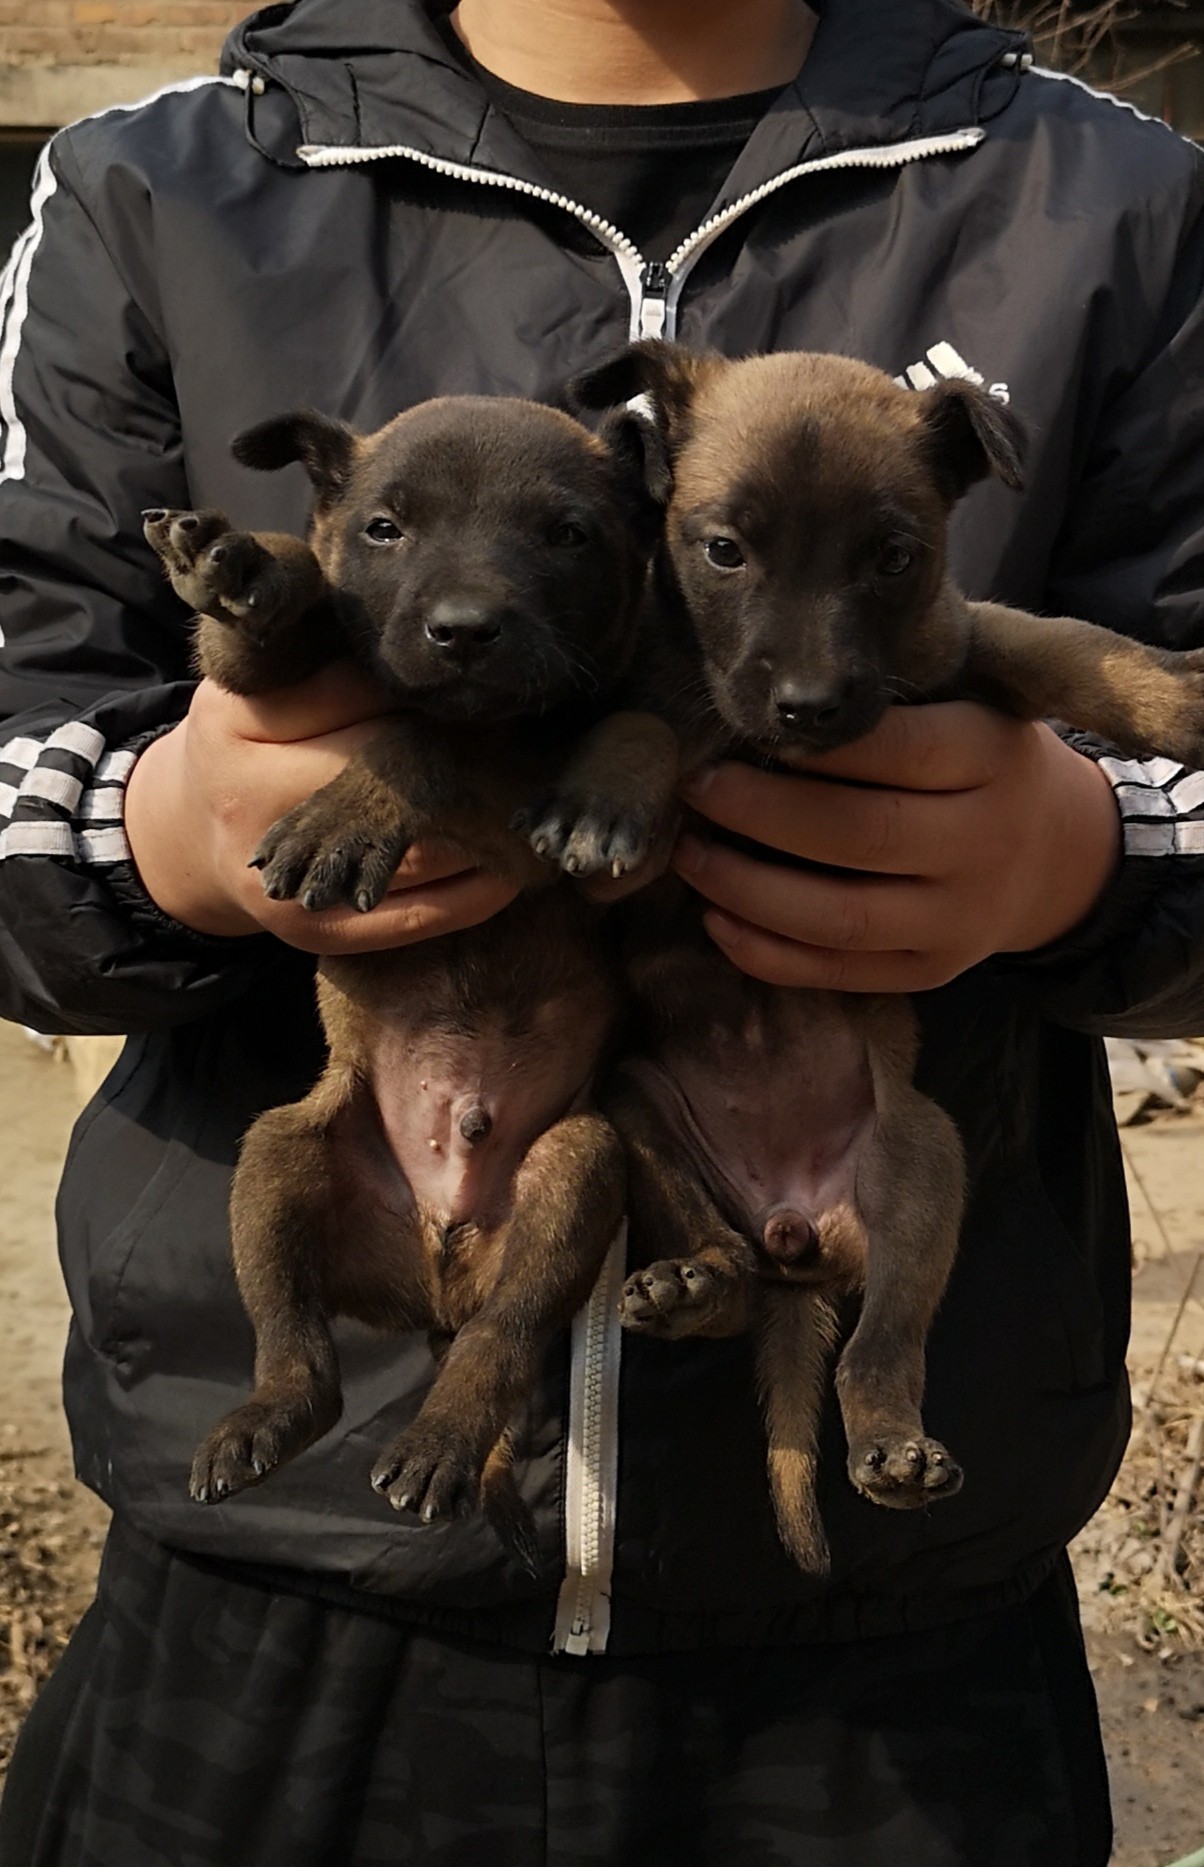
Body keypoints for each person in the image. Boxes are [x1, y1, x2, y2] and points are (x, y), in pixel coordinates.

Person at [0, 0, 1201, 1859]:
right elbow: (27, 742)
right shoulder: (157, 183)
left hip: (897, 1642)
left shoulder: (1115, 198)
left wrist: (1092, 856)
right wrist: (156, 827)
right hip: (287, 1581)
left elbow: (1157, 713)